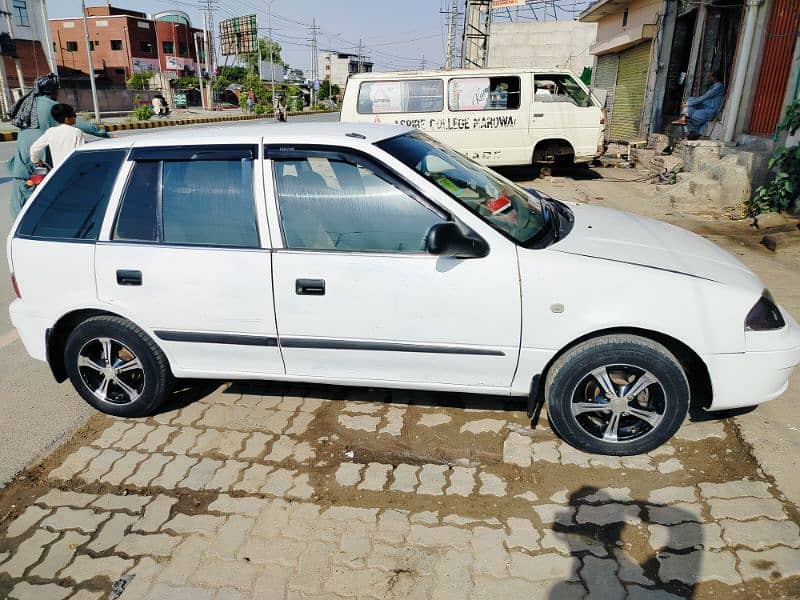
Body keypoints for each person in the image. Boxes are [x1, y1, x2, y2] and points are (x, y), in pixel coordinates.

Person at [7, 73, 109, 218]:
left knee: (22, 184)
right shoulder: (51, 105)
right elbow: (80, 124)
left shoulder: (27, 102)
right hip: (39, 154)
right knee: (40, 186)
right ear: (52, 91)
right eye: (57, 90)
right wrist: (105, 134)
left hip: (22, 151)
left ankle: (17, 219)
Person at [29, 103, 85, 169]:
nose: (75, 117)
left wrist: (36, 160)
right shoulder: (76, 132)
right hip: (75, 170)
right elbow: (81, 154)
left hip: (58, 172)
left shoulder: (51, 131)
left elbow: (34, 148)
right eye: (74, 115)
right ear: (67, 119)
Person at [672, 70, 725, 136]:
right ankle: (683, 118)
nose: (708, 78)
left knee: (693, 114)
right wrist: (690, 103)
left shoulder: (719, 86)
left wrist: (688, 104)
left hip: (711, 110)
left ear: (714, 78)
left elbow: (704, 97)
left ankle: (691, 130)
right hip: (705, 107)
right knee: (691, 99)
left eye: (709, 77)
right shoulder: (713, 86)